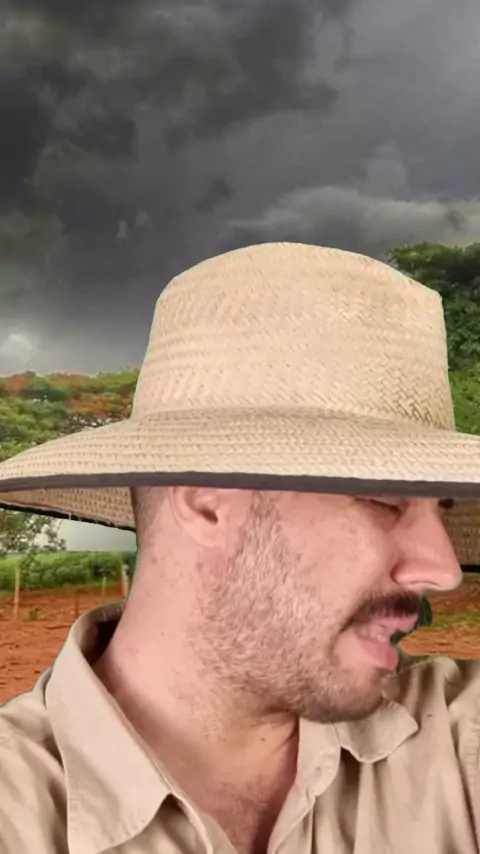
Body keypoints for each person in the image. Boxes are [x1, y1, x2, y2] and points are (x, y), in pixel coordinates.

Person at [0, 241, 478, 854]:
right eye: (385, 500)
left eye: (441, 508)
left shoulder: (459, 741)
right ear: (206, 500)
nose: (443, 569)